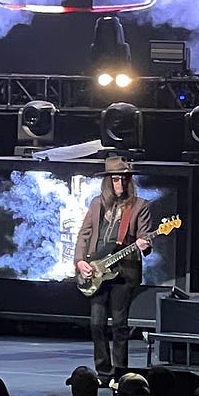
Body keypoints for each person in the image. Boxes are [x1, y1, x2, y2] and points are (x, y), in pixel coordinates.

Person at [73, 156, 155, 379]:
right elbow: (84, 234)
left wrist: (144, 244)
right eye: (116, 179)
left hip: (124, 272)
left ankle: (120, 373)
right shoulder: (97, 203)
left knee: (119, 325)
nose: (121, 184)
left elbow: (145, 238)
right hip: (97, 270)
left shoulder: (140, 206)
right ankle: (103, 372)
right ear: (108, 181)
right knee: (96, 324)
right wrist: (80, 261)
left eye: (125, 179)